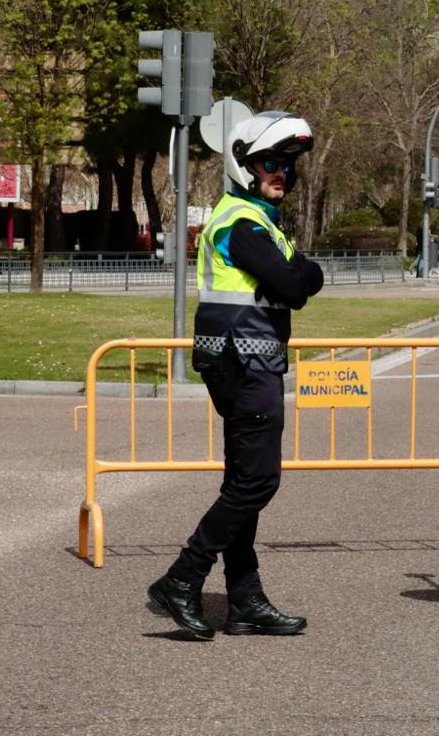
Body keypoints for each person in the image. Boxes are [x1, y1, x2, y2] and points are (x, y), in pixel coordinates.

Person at [148, 111, 324, 640]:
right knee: (257, 480)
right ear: (243, 164)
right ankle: (182, 577)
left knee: (241, 480)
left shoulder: (257, 219)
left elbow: (302, 273)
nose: (282, 174)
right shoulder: (242, 224)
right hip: (245, 362)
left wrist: (302, 271)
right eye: (271, 163)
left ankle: (245, 600)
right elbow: (296, 285)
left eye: (288, 167)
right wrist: (301, 273)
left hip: (246, 360)